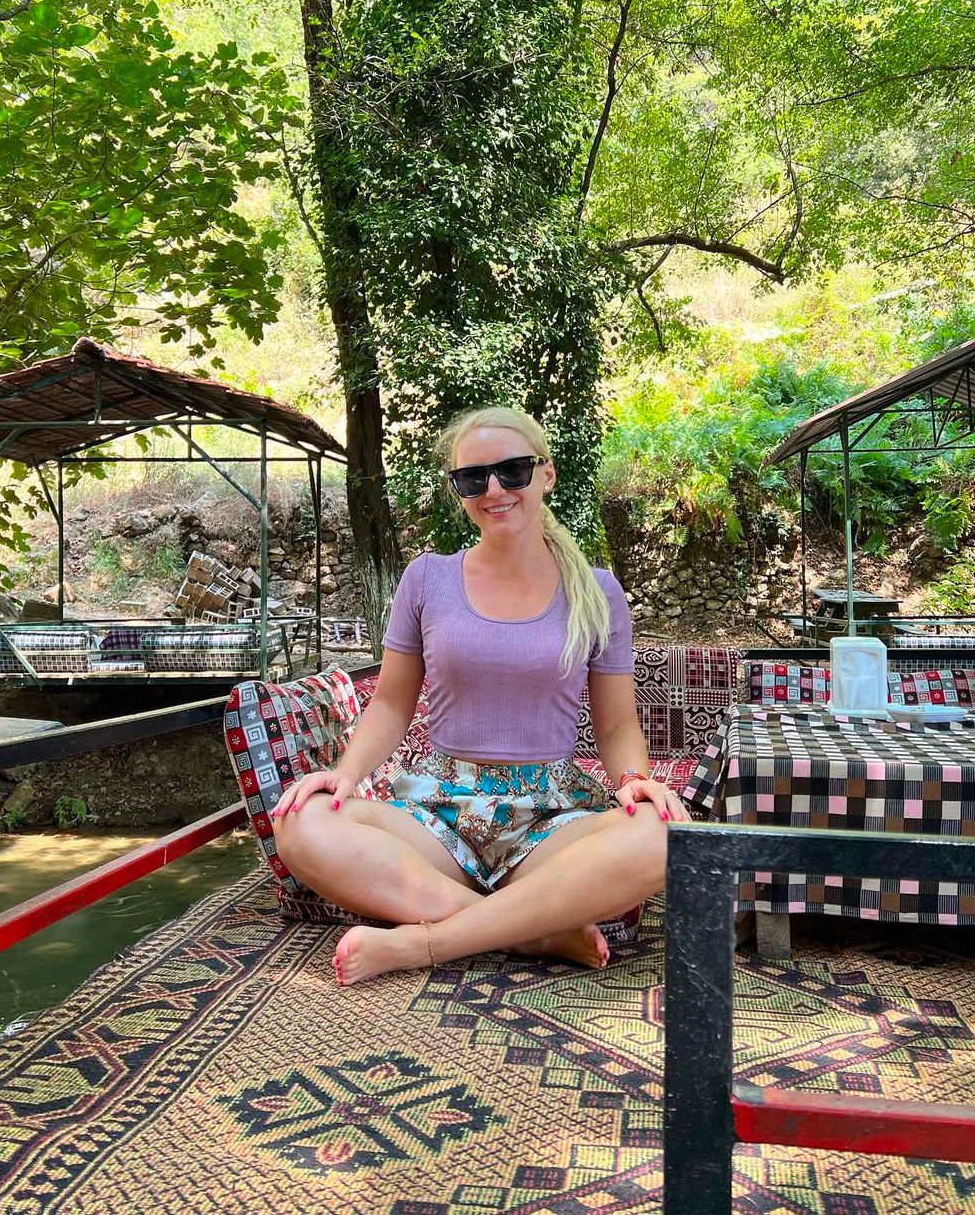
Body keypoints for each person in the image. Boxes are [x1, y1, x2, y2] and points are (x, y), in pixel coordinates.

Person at [271, 405, 690, 986]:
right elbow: (390, 704)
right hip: (437, 812)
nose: (494, 489)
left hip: (550, 815)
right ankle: (533, 931)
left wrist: (634, 781)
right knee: (301, 822)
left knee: (662, 833)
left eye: (513, 470)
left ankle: (427, 942)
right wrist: (344, 775)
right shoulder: (427, 578)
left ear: (546, 474)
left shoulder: (598, 592)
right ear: (459, 491)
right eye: (473, 478)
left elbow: (617, 724)